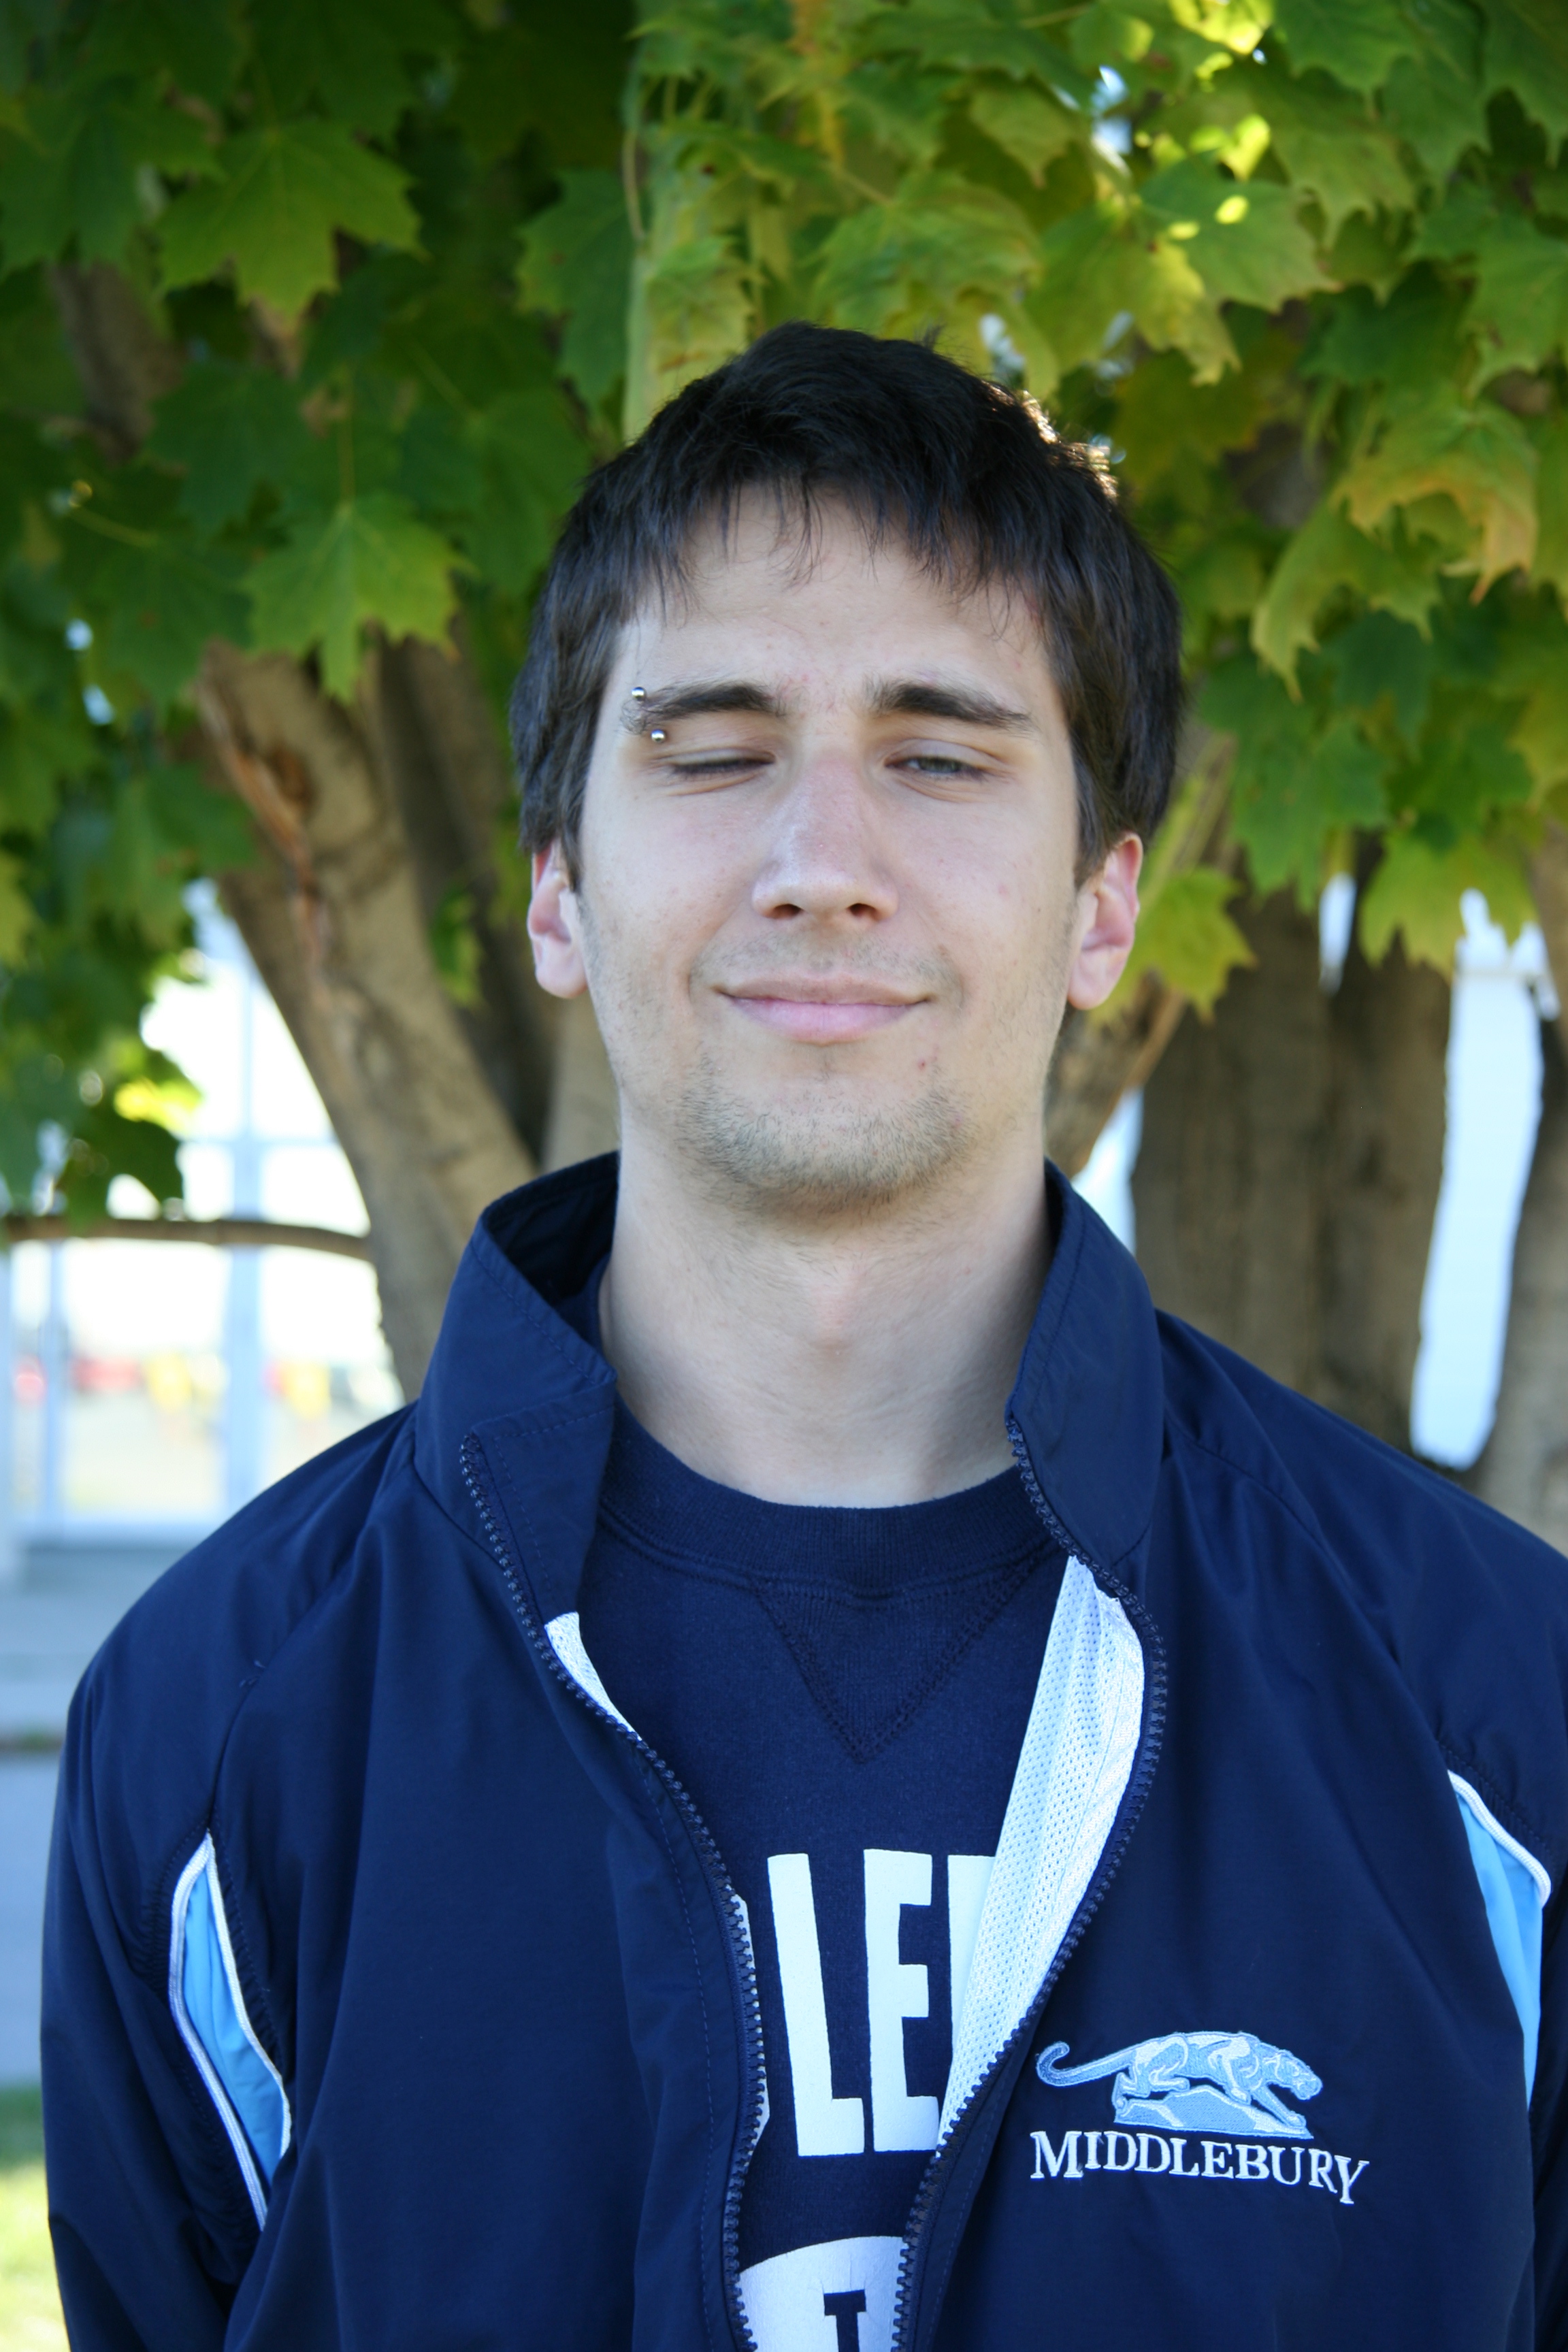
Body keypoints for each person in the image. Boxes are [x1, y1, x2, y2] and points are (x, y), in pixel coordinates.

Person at [42, 323, 1568, 2352]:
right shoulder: (220, 1735)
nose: (823, 865)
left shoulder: (1492, 1723)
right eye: (713, 750)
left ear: (1105, 903)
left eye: (940, 755)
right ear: (558, 889)